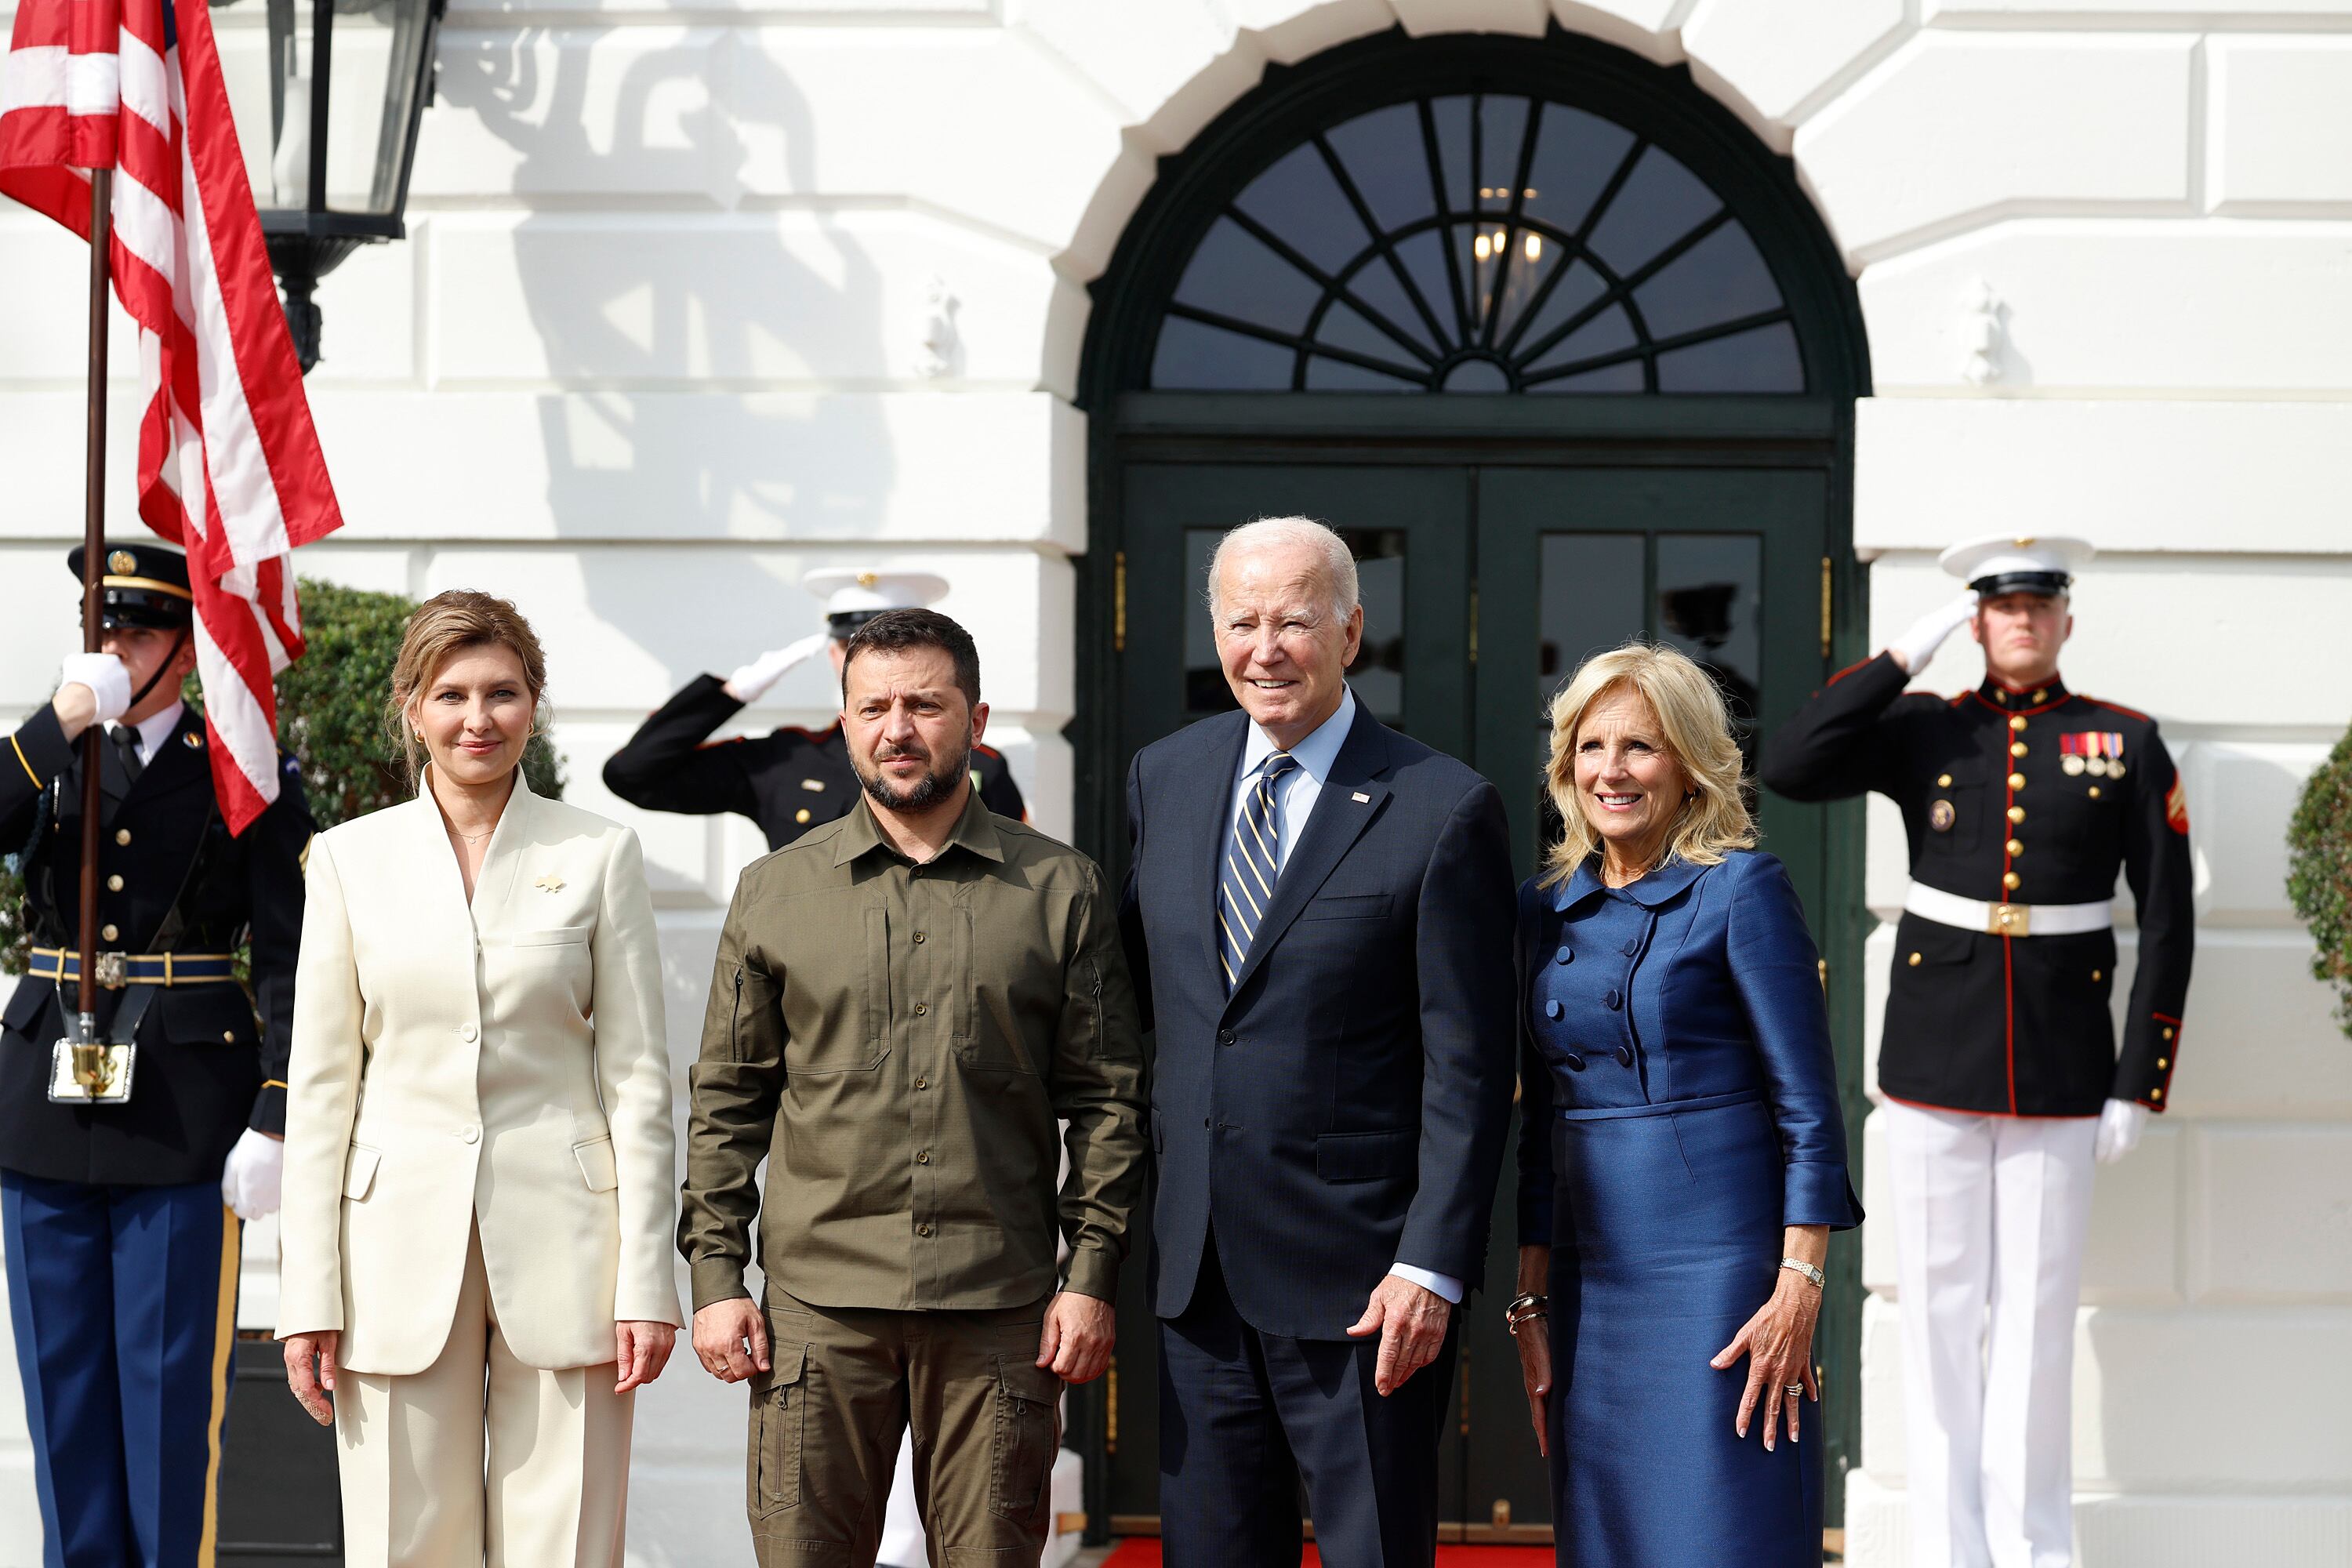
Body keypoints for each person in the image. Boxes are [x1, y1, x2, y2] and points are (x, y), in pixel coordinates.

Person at [678, 607, 1147, 1568]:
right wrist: (717, 1277)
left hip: (1001, 1308)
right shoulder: (776, 890)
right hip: (818, 1314)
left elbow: (1108, 1103)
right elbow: (727, 1105)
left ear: (975, 720)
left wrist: (1091, 1276)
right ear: (844, 723)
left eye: (926, 704)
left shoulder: (1064, 889)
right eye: (874, 706)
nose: (899, 727)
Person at [1759, 535, 2194, 1568]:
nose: (2023, 623)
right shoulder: (1922, 730)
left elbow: (2169, 920)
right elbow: (1790, 762)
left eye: (2040, 608)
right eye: (2001, 608)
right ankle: (1956, 1551)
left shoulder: (2123, 742)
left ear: (2066, 623)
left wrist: (2142, 1079)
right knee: (1940, 1313)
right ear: (1978, 621)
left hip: (2060, 1063)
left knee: (2039, 1321)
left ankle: (2036, 1550)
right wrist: (1903, 654)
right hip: (1934, 1056)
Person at [1119, 516, 1517, 1566]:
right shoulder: (1165, 777)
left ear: (1352, 629)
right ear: (1215, 631)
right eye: (1243, 622)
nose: (1267, 649)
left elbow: (1468, 1068)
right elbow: (1149, 1013)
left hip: (1363, 1290)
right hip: (1197, 1278)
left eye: (1295, 621)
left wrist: (1431, 1267)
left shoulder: (1441, 806)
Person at [274, 591, 681, 1565]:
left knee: (565, 1542)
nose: (477, 718)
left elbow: (636, 1079)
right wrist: (307, 1294)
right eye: (450, 693)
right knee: (402, 1541)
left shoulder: (598, 853)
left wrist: (646, 1281)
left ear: (533, 707)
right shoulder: (345, 859)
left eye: (502, 692)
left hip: (572, 1240)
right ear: (411, 706)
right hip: (389, 1247)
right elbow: (323, 1086)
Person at [1508, 641, 1860, 1568]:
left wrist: (1800, 1285)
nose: (1611, 771)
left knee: (1718, 1530)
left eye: (1641, 747)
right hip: (1591, 1284)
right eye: (1591, 746)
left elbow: (1809, 1112)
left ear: (1691, 764)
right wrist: (1531, 1300)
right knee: (1608, 1539)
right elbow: (1537, 1124)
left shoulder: (1741, 888)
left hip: (1720, 1279)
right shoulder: (1541, 909)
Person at [1, 542, 310, 1567]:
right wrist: (55, 728)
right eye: (101, 626)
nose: (115, 648)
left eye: (136, 631)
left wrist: (276, 1108)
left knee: (171, 1405)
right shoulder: (51, 754)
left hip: (185, 1115)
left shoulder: (241, 763)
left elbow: (287, 949)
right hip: (44, 1109)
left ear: (188, 645)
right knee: (65, 1398)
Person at [601, 567, 1026, 851]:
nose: (873, 662)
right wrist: (731, 693)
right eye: (852, 645)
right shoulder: (785, 759)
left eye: (895, 646)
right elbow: (632, 775)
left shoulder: (979, 766)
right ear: (832, 655)